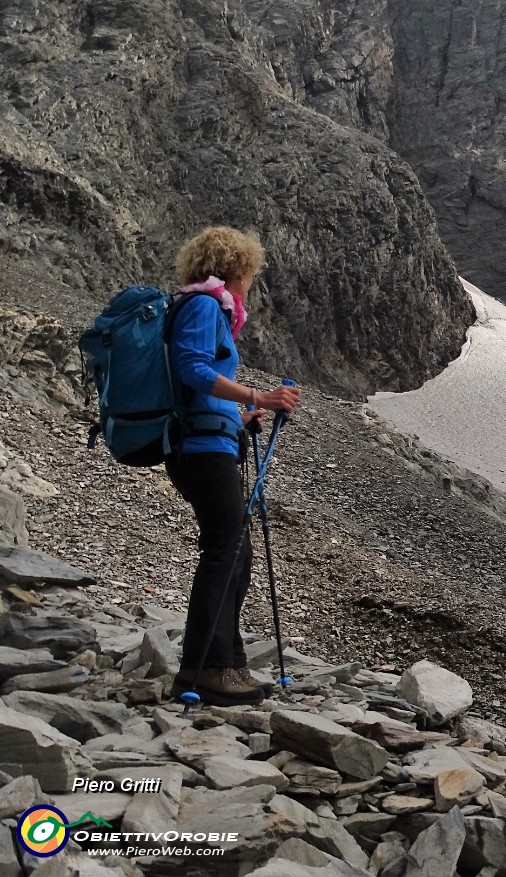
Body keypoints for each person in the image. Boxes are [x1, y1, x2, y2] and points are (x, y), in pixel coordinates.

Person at [165, 226, 300, 706]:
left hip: (209, 441)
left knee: (234, 553)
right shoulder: (204, 306)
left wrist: (238, 415)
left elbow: (200, 386)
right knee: (225, 552)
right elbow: (195, 370)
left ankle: (226, 664)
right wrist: (257, 395)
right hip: (202, 451)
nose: (252, 281)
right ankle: (204, 670)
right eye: (251, 272)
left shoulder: (203, 306)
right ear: (236, 269)